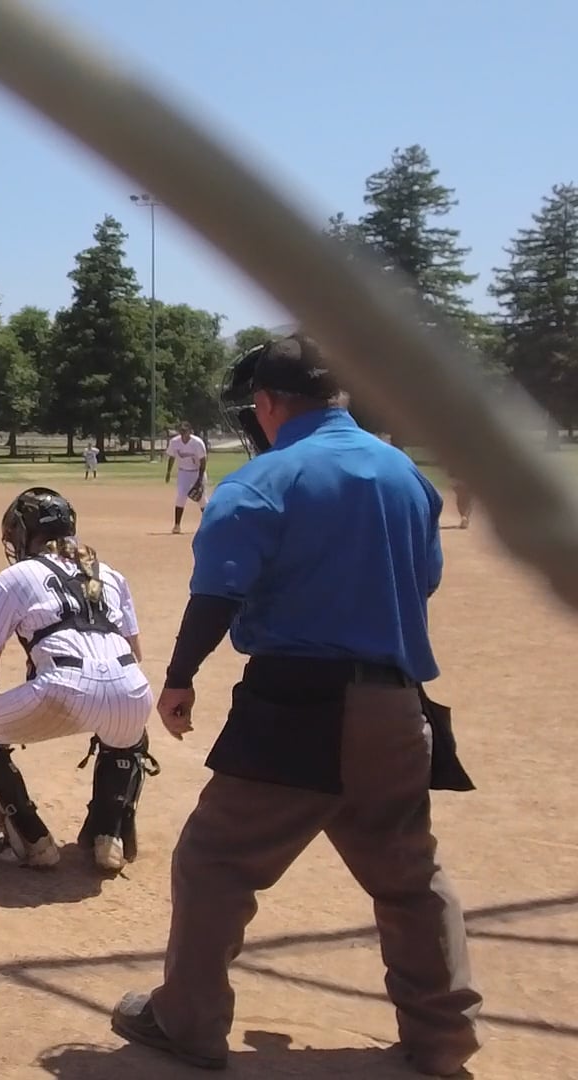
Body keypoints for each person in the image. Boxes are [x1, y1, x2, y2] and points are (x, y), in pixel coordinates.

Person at [111, 334, 480, 1076]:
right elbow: (425, 580)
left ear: (269, 402)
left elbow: (218, 591)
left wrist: (179, 678)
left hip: (299, 706)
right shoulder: (405, 474)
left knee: (215, 862)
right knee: (410, 877)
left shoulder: (264, 480)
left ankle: (188, 1022)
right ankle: (444, 1039)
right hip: (398, 706)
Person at [0, 487, 157, 872]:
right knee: (127, 732)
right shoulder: (108, 573)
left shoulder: (16, 576)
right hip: (132, 687)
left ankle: (33, 843)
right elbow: (136, 653)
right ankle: (109, 836)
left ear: (26, 534)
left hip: (64, 688)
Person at [165, 421, 209, 533]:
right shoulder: (175, 442)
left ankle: (209, 524)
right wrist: (168, 472)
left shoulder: (197, 443)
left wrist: (199, 479)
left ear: (190, 431)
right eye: (181, 430)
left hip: (197, 472)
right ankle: (177, 525)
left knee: (201, 499)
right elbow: (172, 457)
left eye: (185, 430)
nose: (182, 433)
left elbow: (203, 461)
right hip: (183, 472)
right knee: (181, 496)